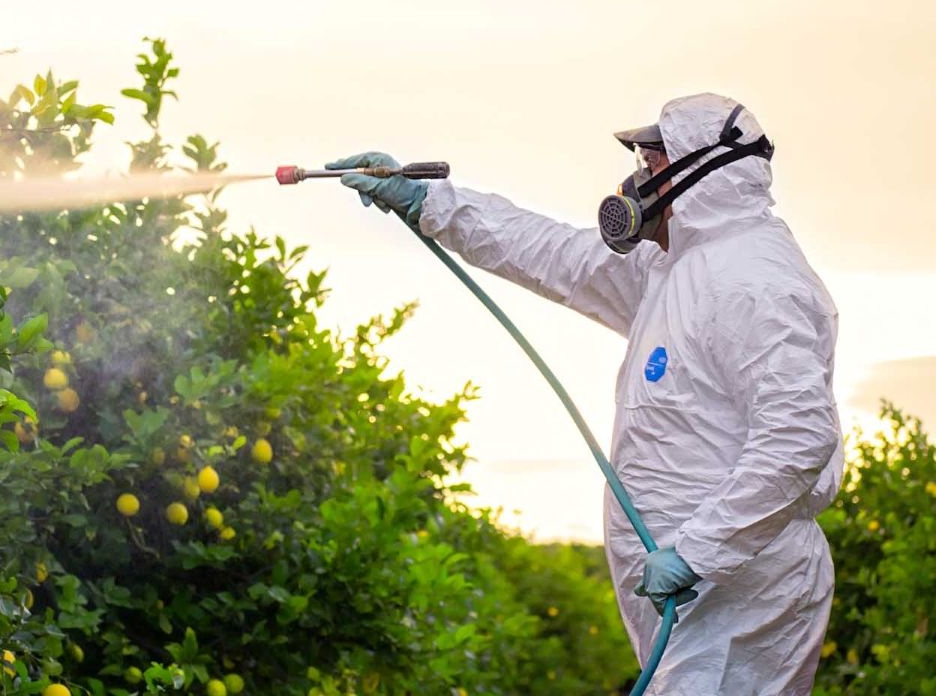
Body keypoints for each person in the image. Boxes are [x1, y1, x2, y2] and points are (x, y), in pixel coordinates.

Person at [329, 93, 843, 695]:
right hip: (696, 591)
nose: (635, 181)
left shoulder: (754, 280)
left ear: (702, 174)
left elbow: (799, 436)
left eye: (650, 165)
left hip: (745, 595)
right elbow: (551, 251)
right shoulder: (673, 269)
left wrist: (700, 550)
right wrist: (430, 203)